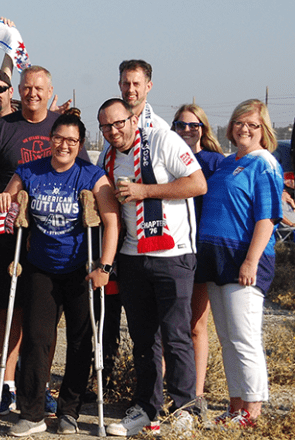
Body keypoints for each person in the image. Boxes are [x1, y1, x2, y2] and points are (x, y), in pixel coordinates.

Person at [0, 110, 119, 436]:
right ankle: (32, 412)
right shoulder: (30, 170)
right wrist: (6, 199)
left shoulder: (91, 176)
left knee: (80, 342)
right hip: (41, 268)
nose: (64, 145)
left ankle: (69, 411)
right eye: (59, 138)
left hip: (80, 268)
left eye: (72, 141)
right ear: (50, 139)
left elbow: (112, 221)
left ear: (81, 144)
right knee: (36, 340)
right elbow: (9, 198)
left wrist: (104, 267)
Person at [97, 98, 206, 437]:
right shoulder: (108, 156)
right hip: (132, 255)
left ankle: (185, 408)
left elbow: (197, 184)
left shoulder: (162, 139)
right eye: (106, 127)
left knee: (175, 335)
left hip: (173, 254)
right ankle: (146, 408)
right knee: (143, 339)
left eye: (119, 124)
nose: (114, 131)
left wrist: (145, 191)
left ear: (133, 120)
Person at [0, 65, 67, 415]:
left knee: (43, 316)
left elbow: (81, 173)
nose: (32, 94)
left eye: (39, 88)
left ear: (49, 89)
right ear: (18, 90)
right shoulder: (1, 128)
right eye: (26, 88)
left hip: (52, 237)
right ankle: (8, 384)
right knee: (7, 311)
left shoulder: (61, 127)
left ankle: (39, 385)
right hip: (6, 235)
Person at [196, 99, 283, 427]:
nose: (244, 129)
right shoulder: (227, 162)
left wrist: (250, 261)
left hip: (243, 261)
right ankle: (234, 406)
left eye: (253, 125)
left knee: (245, 336)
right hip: (216, 260)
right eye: (239, 123)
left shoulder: (265, 164)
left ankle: (252, 409)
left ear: (264, 130)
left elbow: (268, 217)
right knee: (227, 337)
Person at [171, 103, 225, 422]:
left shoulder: (215, 162)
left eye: (194, 125)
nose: (188, 130)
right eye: (181, 125)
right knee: (170, 325)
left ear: (204, 128)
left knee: (195, 325)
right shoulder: (170, 161)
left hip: (202, 250)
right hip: (174, 250)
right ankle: (169, 391)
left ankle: (197, 394)